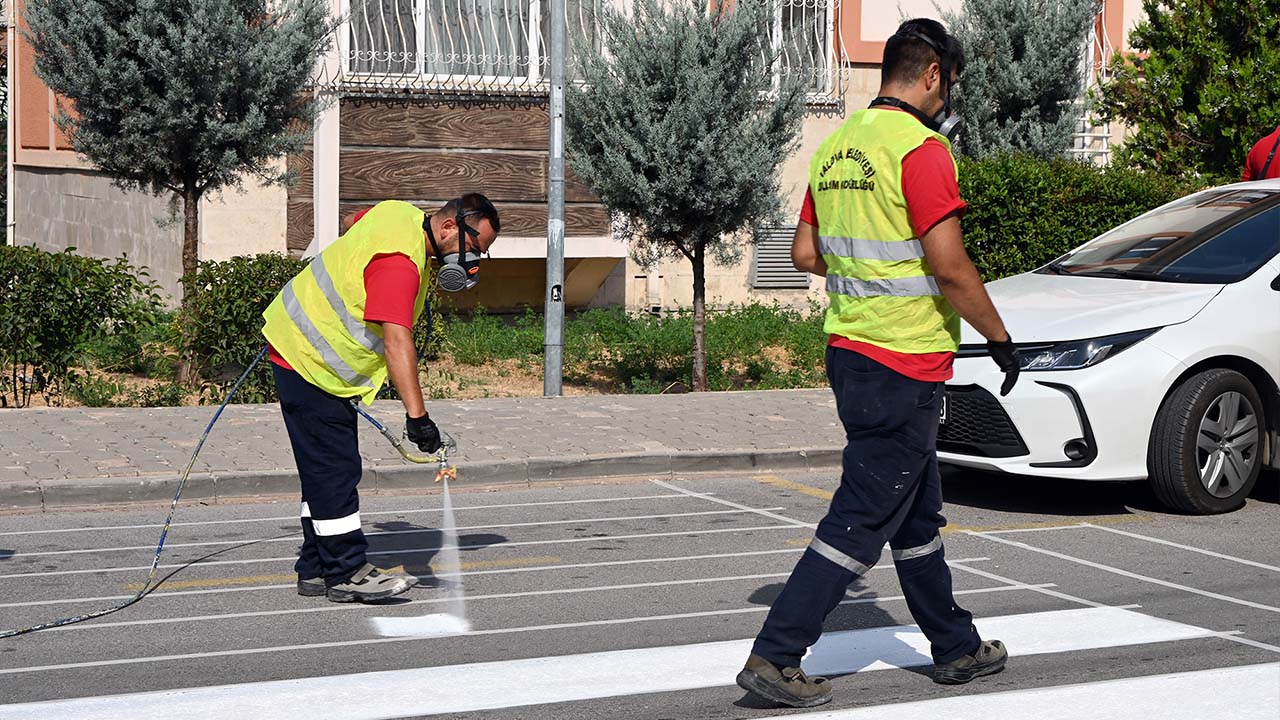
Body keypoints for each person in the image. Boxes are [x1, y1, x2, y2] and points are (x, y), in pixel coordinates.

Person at [735, 19, 1019, 708]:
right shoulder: (921, 151)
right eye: (948, 83)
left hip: (851, 355)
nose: (947, 94)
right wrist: (1001, 337)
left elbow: (805, 256)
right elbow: (950, 268)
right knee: (860, 520)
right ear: (931, 75)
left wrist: (865, 259)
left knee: (916, 519)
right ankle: (776, 654)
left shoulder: (836, 149)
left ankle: (954, 646)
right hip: (905, 363)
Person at [261, 194, 500, 603]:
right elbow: (397, 342)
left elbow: (356, 220)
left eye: (481, 253)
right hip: (311, 359)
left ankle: (315, 568)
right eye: (474, 248)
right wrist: (417, 418)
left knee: (322, 469)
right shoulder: (399, 265)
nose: (473, 260)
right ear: (447, 228)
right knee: (336, 469)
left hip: (302, 348)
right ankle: (346, 572)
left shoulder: (396, 213)